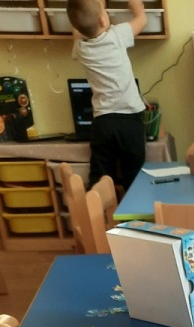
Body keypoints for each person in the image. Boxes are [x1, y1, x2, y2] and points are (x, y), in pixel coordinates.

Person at [67, 0, 147, 190]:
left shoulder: (81, 47)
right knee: (134, 177)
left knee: (100, 176)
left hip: (102, 123)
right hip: (129, 120)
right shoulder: (117, 35)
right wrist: (136, 6)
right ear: (103, 20)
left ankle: (96, 205)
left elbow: (77, 30)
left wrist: (95, 9)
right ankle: (133, 208)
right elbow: (142, 20)